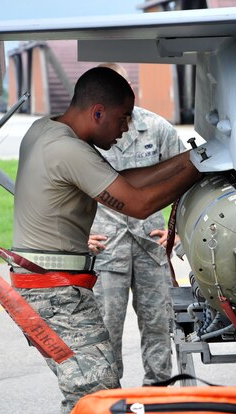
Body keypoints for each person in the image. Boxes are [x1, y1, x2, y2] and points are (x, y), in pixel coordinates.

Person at [12, 66, 202, 414]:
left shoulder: (45, 132)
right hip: (54, 295)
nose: (124, 130)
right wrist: (203, 164)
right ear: (97, 111)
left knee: (94, 395)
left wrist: (192, 159)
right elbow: (137, 201)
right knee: (91, 402)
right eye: (119, 120)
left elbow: (128, 183)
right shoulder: (68, 149)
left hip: (55, 289)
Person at [87, 63, 184, 386]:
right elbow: (64, 191)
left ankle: (158, 393)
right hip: (106, 248)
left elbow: (189, 179)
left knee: (158, 324)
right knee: (105, 328)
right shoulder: (85, 137)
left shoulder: (156, 129)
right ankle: (108, 400)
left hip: (150, 246)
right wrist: (77, 237)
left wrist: (178, 230)